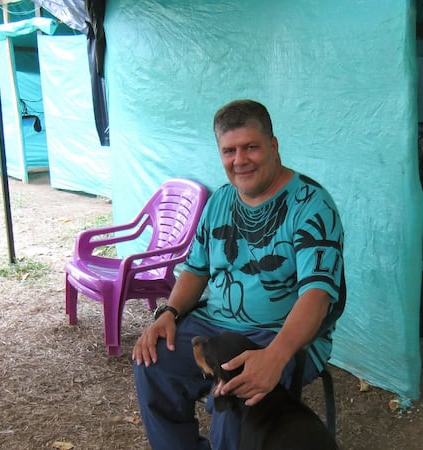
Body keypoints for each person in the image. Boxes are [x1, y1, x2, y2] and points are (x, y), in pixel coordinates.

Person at [132, 99, 345, 450]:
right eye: (229, 150)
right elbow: (196, 271)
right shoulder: (220, 201)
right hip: (216, 325)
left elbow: (317, 297)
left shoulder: (311, 205)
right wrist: (167, 313)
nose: (240, 160)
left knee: (234, 398)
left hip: (280, 334)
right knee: (152, 362)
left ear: (273, 146)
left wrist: (275, 356)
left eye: (251, 147)